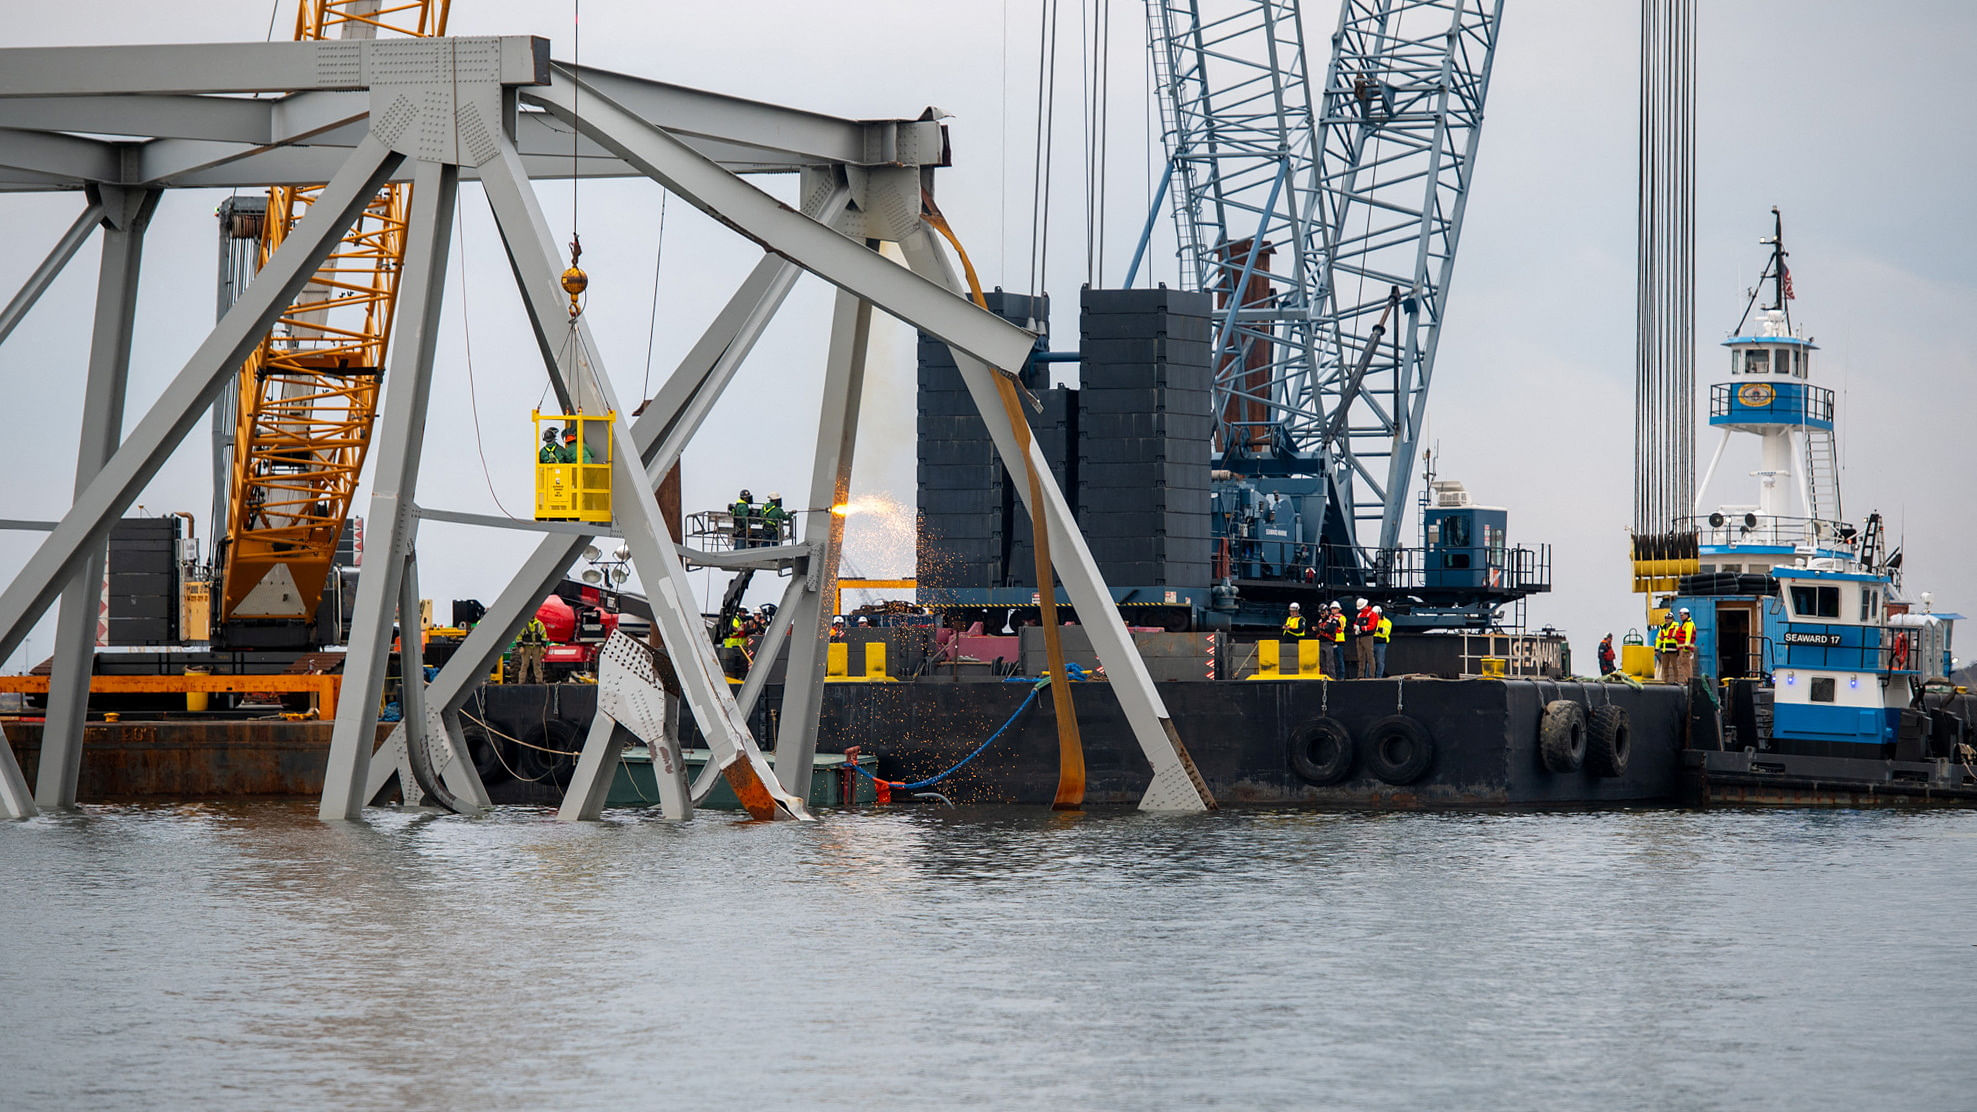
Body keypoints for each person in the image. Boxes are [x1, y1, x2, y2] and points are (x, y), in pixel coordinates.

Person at [514, 614, 550, 684]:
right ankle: (521, 681)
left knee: (537, 664)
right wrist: (520, 646)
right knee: (524, 664)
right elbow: (519, 637)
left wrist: (543, 646)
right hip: (526, 647)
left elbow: (544, 635)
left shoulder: (539, 624)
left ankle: (539, 681)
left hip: (536, 647)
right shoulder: (524, 624)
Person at [1351, 596, 1377, 679]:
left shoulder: (1372, 614)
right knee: (1360, 657)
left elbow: (1372, 626)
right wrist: (1355, 627)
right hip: (1359, 637)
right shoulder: (1359, 614)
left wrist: (1361, 628)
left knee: (1370, 657)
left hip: (1368, 637)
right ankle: (1360, 675)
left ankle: (1371, 675)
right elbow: (1355, 623)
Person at [1672, 607, 1698, 683]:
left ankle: (1688, 682)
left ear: (1687, 615)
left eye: (1682, 615)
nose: (1681, 617)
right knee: (1684, 665)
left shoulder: (1689, 624)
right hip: (1682, 648)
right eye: (1680, 615)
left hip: (1685, 649)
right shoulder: (1684, 624)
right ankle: (1686, 681)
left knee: (1686, 665)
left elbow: (1688, 635)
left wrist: (1686, 647)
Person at [1373, 605, 1392, 678]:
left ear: (1380, 613)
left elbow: (1386, 632)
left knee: (1380, 661)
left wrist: (1377, 629)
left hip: (1381, 643)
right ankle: (1369, 676)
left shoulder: (1387, 622)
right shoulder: (1372, 620)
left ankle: (1379, 676)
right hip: (1373, 642)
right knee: (1370, 661)